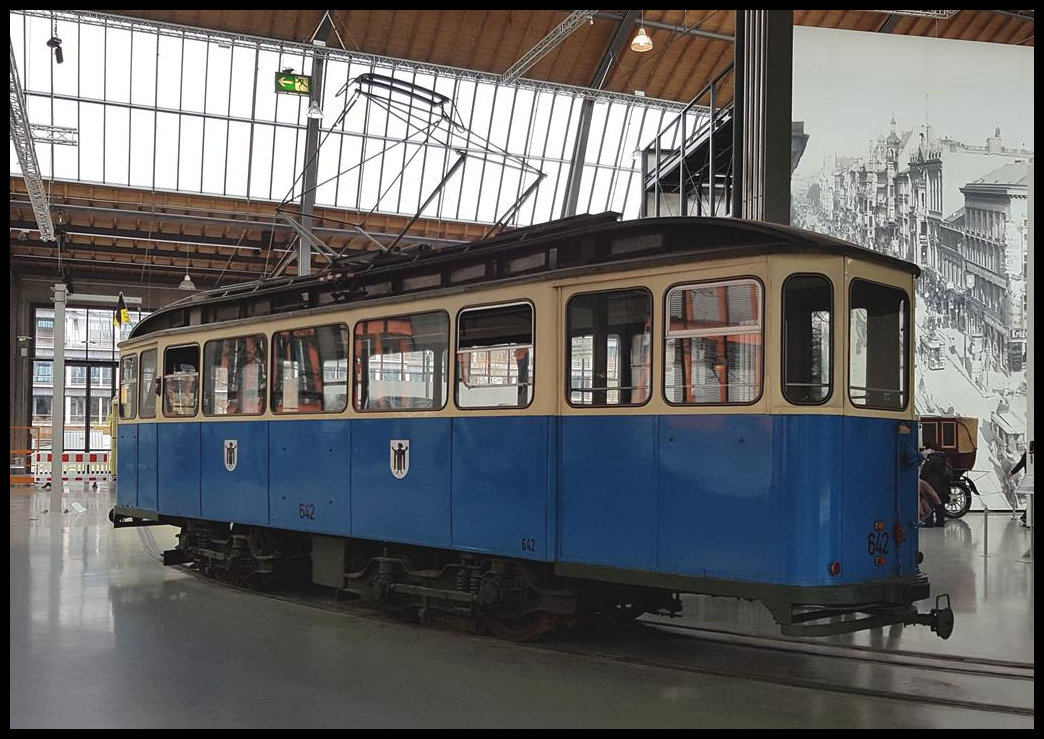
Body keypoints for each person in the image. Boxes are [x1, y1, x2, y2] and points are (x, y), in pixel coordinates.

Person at [919, 443, 952, 528]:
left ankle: (929, 522)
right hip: (943, 486)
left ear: (933, 450)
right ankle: (940, 522)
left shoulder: (932, 458)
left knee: (930, 504)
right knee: (940, 505)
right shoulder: (944, 458)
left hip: (933, 485)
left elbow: (925, 472)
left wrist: (922, 479)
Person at [1007, 451, 1028, 523]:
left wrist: (1012, 473)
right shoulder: (1028, 452)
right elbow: (1021, 464)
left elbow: (1021, 464)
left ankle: (1026, 517)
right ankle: (1025, 517)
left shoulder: (1028, 452)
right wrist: (1012, 472)